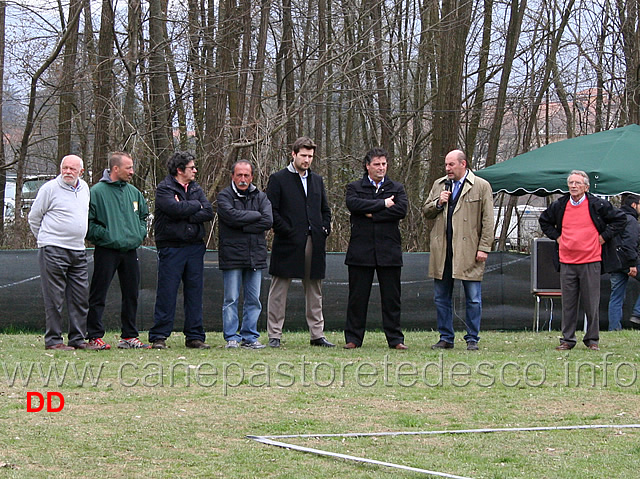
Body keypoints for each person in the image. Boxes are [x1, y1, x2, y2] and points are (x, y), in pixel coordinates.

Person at [539, 170, 625, 350]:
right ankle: (567, 340)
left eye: (577, 183)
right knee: (568, 303)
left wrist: (603, 237)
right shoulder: (560, 205)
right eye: (571, 183)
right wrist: (557, 237)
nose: (573, 186)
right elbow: (544, 221)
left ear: (586, 187)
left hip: (591, 260)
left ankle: (592, 339)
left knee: (591, 302)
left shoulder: (598, 205)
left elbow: (620, 220)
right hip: (567, 261)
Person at [266, 136, 334, 348]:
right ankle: (275, 335)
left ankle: (317, 335)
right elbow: (271, 211)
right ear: (293, 154)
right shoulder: (278, 179)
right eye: (303, 155)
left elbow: (325, 209)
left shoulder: (317, 180)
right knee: (279, 291)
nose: (307, 160)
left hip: (315, 242)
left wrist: (324, 228)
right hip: (287, 243)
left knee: (315, 291)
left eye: (310, 156)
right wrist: (287, 230)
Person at [423, 149, 494, 351]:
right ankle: (446, 337)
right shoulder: (439, 184)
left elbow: (488, 220)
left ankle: (472, 338)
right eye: (446, 165)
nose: (447, 169)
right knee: (441, 297)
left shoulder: (480, 186)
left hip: (470, 250)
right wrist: (438, 202)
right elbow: (426, 211)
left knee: (473, 298)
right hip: (443, 251)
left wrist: (484, 248)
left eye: (451, 165)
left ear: (463, 164)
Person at [28, 155, 98, 350]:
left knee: (80, 297)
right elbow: (34, 217)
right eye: (65, 168)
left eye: (72, 169)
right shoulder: (49, 189)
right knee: (54, 298)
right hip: (53, 249)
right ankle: (54, 340)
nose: (68, 172)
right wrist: (45, 240)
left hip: (78, 250)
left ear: (81, 172)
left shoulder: (84, 188)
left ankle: (77, 339)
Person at [343, 148, 408, 350]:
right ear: (367, 166)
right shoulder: (354, 187)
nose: (381, 168)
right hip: (361, 252)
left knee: (392, 299)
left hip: (389, 251)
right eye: (377, 164)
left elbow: (401, 210)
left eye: (384, 164)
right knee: (357, 298)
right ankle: (353, 338)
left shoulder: (396, 188)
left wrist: (372, 213)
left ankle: (395, 339)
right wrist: (382, 204)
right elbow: (354, 204)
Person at [148, 151, 214, 349]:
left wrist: (187, 210)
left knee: (195, 292)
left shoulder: (195, 187)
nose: (195, 170)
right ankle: (159, 336)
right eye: (191, 167)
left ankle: (195, 336)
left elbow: (208, 211)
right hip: (171, 247)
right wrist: (195, 206)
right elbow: (172, 209)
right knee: (167, 292)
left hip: (195, 247)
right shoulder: (164, 188)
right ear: (179, 170)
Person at [86, 151, 150, 350]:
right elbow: (87, 222)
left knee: (131, 293)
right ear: (115, 168)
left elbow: (143, 216)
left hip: (130, 250)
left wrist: (138, 234)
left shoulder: (134, 192)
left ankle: (129, 336)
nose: (132, 171)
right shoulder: (96, 192)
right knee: (99, 293)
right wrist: (107, 236)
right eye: (128, 168)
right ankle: (94, 335)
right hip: (106, 250)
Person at [217, 160, 273, 349]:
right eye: (239, 175)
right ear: (232, 176)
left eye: (246, 175)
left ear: (252, 177)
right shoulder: (224, 196)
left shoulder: (261, 197)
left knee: (253, 299)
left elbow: (267, 220)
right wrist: (255, 215)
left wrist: (242, 222)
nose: (243, 179)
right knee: (231, 299)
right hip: (231, 255)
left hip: (255, 255)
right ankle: (231, 337)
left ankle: (250, 337)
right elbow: (230, 217)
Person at [607, 194, 640, 331]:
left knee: (616, 297)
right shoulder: (631, 221)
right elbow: (630, 243)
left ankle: (614, 329)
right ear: (634, 205)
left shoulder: (614, 219)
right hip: (627, 261)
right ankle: (638, 313)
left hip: (614, 262)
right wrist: (632, 263)